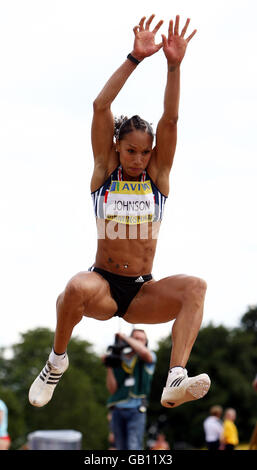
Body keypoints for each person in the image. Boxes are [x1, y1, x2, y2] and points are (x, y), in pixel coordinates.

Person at [29, 13, 211, 409]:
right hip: (105, 287)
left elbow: (171, 119)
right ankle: (56, 361)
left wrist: (174, 66)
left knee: (195, 286)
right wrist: (135, 57)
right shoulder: (104, 171)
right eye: (131, 150)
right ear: (116, 147)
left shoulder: (156, 177)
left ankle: (175, 377)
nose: (139, 159)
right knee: (74, 288)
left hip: (143, 291)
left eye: (145, 152)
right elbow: (100, 105)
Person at [104, 329, 156, 450]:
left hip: (136, 409)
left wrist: (125, 337)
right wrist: (109, 366)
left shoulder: (149, 356)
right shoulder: (120, 359)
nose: (138, 341)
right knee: (120, 446)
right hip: (118, 408)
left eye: (141, 339)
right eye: (135, 338)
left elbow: (144, 352)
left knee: (134, 446)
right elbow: (112, 390)